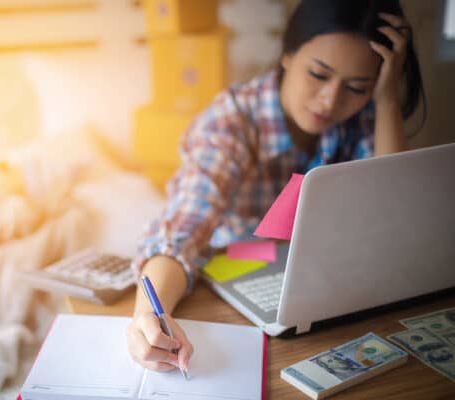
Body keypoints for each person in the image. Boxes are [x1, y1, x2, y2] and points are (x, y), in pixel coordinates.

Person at [127, 0, 426, 373]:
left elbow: (392, 215)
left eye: (356, 86)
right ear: (287, 54)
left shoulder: (363, 118)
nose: (330, 101)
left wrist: (385, 101)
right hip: (233, 266)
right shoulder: (231, 120)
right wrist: (147, 316)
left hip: (325, 279)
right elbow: (181, 231)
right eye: (318, 74)